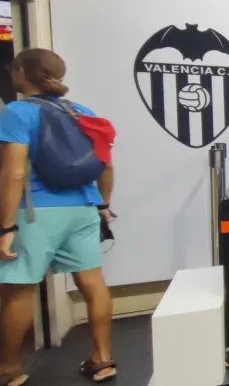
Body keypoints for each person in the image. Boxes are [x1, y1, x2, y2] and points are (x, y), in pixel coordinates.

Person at [0, 49, 116, 385]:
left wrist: (6, 225)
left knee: (19, 288)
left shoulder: (18, 112)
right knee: (92, 283)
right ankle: (103, 360)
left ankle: (8, 370)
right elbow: (106, 165)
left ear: (22, 72)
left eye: (14, 70)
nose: (12, 75)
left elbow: (15, 172)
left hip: (37, 211)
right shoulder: (83, 112)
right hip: (83, 207)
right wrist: (102, 204)